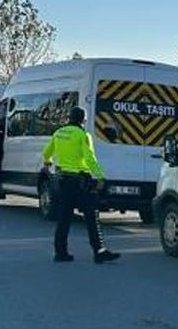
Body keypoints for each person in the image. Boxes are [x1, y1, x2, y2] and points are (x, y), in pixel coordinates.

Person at [42, 106, 120, 264]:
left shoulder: (59, 133)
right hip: (81, 183)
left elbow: (46, 152)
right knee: (92, 217)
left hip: (63, 181)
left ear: (69, 118)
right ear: (82, 120)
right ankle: (99, 251)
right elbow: (89, 158)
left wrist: (48, 162)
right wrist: (99, 176)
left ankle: (60, 252)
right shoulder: (83, 135)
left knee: (64, 218)